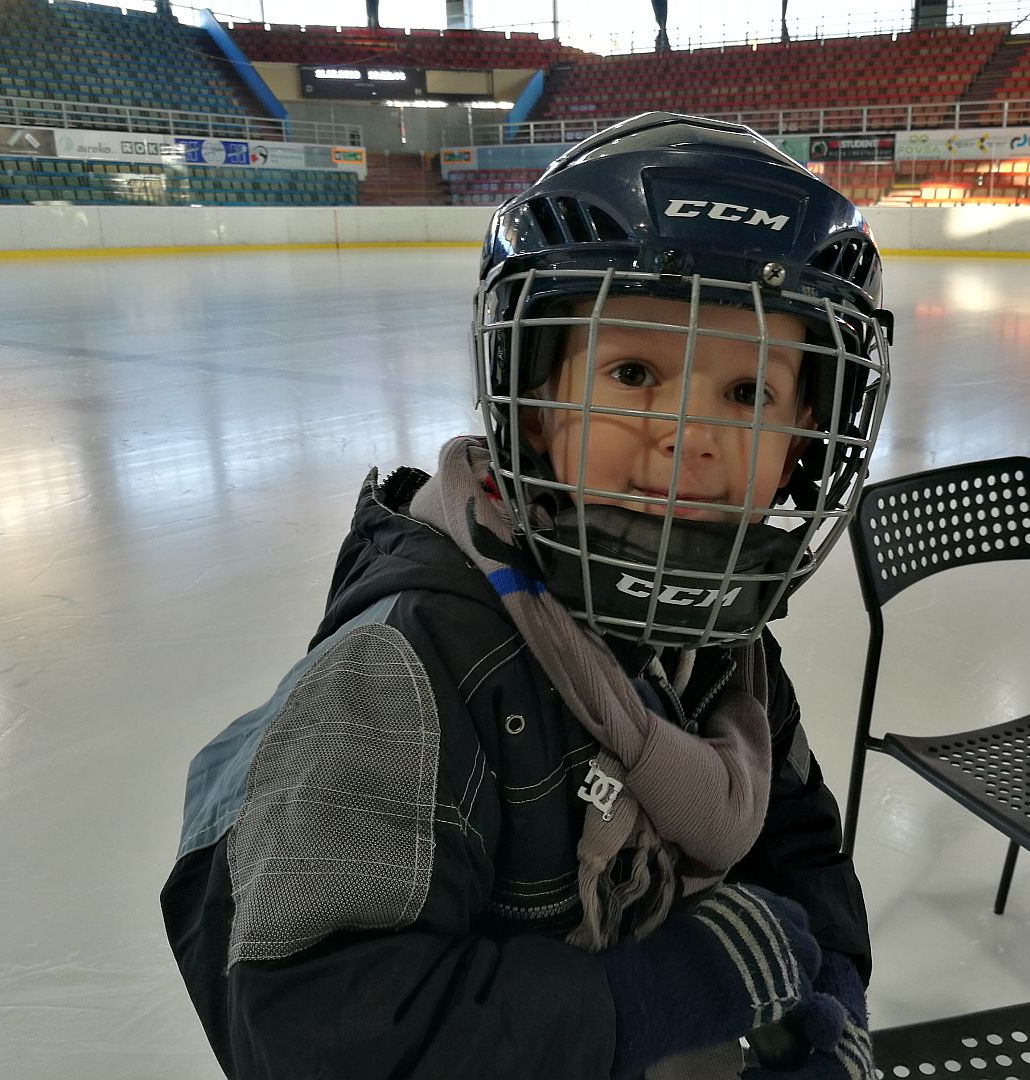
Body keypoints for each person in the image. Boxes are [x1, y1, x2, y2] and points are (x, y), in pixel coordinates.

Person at [160, 112, 893, 1080]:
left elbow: (794, 834)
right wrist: (651, 996)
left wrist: (834, 989)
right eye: (634, 373)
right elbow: (315, 1029)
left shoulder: (717, 628)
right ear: (533, 405)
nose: (690, 434)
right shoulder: (407, 672)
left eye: (749, 393)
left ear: (809, 435)